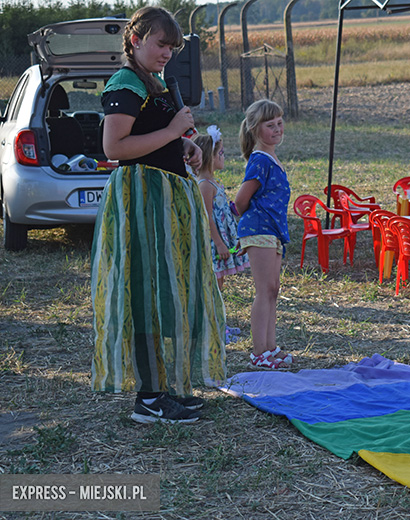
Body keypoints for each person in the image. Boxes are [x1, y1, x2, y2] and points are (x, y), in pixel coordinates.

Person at [91, 7, 226, 424]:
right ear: (135, 41)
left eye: (172, 46)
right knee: (146, 293)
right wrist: (170, 133)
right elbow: (114, 148)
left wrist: (182, 147)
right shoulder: (126, 82)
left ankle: (163, 388)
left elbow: (152, 138)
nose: (167, 52)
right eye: (160, 44)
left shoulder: (156, 82)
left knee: (166, 291)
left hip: (163, 195)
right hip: (142, 200)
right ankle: (149, 400)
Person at [235, 100, 294, 370]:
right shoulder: (259, 160)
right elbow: (241, 200)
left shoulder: (271, 158)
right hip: (259, 229)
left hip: (274, 231)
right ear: (255, 129)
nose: (277, 128)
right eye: (270, 125)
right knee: (263, 290)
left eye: (279, 123)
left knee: (273, 290)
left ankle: (271, 348)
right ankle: (259, 352)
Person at [193, 126, 250, 343]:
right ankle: (212, 328)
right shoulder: (204, 185)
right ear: (209, 157)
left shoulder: (214, 183)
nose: (223, 156)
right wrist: (218, 243)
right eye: (221, 153)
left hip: (222, 242)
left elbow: (221, 210)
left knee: (219, 284)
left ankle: (219, 322)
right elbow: (206, 217)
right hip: (213, 244)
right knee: (212, 287)